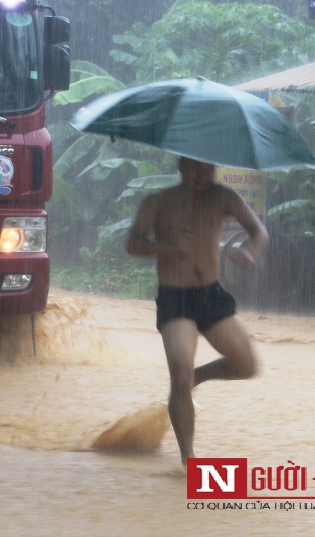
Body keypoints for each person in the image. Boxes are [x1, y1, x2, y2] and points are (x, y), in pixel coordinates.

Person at [126, 156, 269, 468]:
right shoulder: (158, 201)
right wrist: (166, 249)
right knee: (179, 374)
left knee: (246, 366)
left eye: (210, 168)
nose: (204, 174)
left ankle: (198, 377)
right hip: (175, 297)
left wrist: (249, 252)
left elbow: (259, 231)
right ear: (181, 166)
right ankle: (188, 461)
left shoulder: (224, 197)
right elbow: (132, 243)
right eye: (197, 168)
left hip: (211, 295)